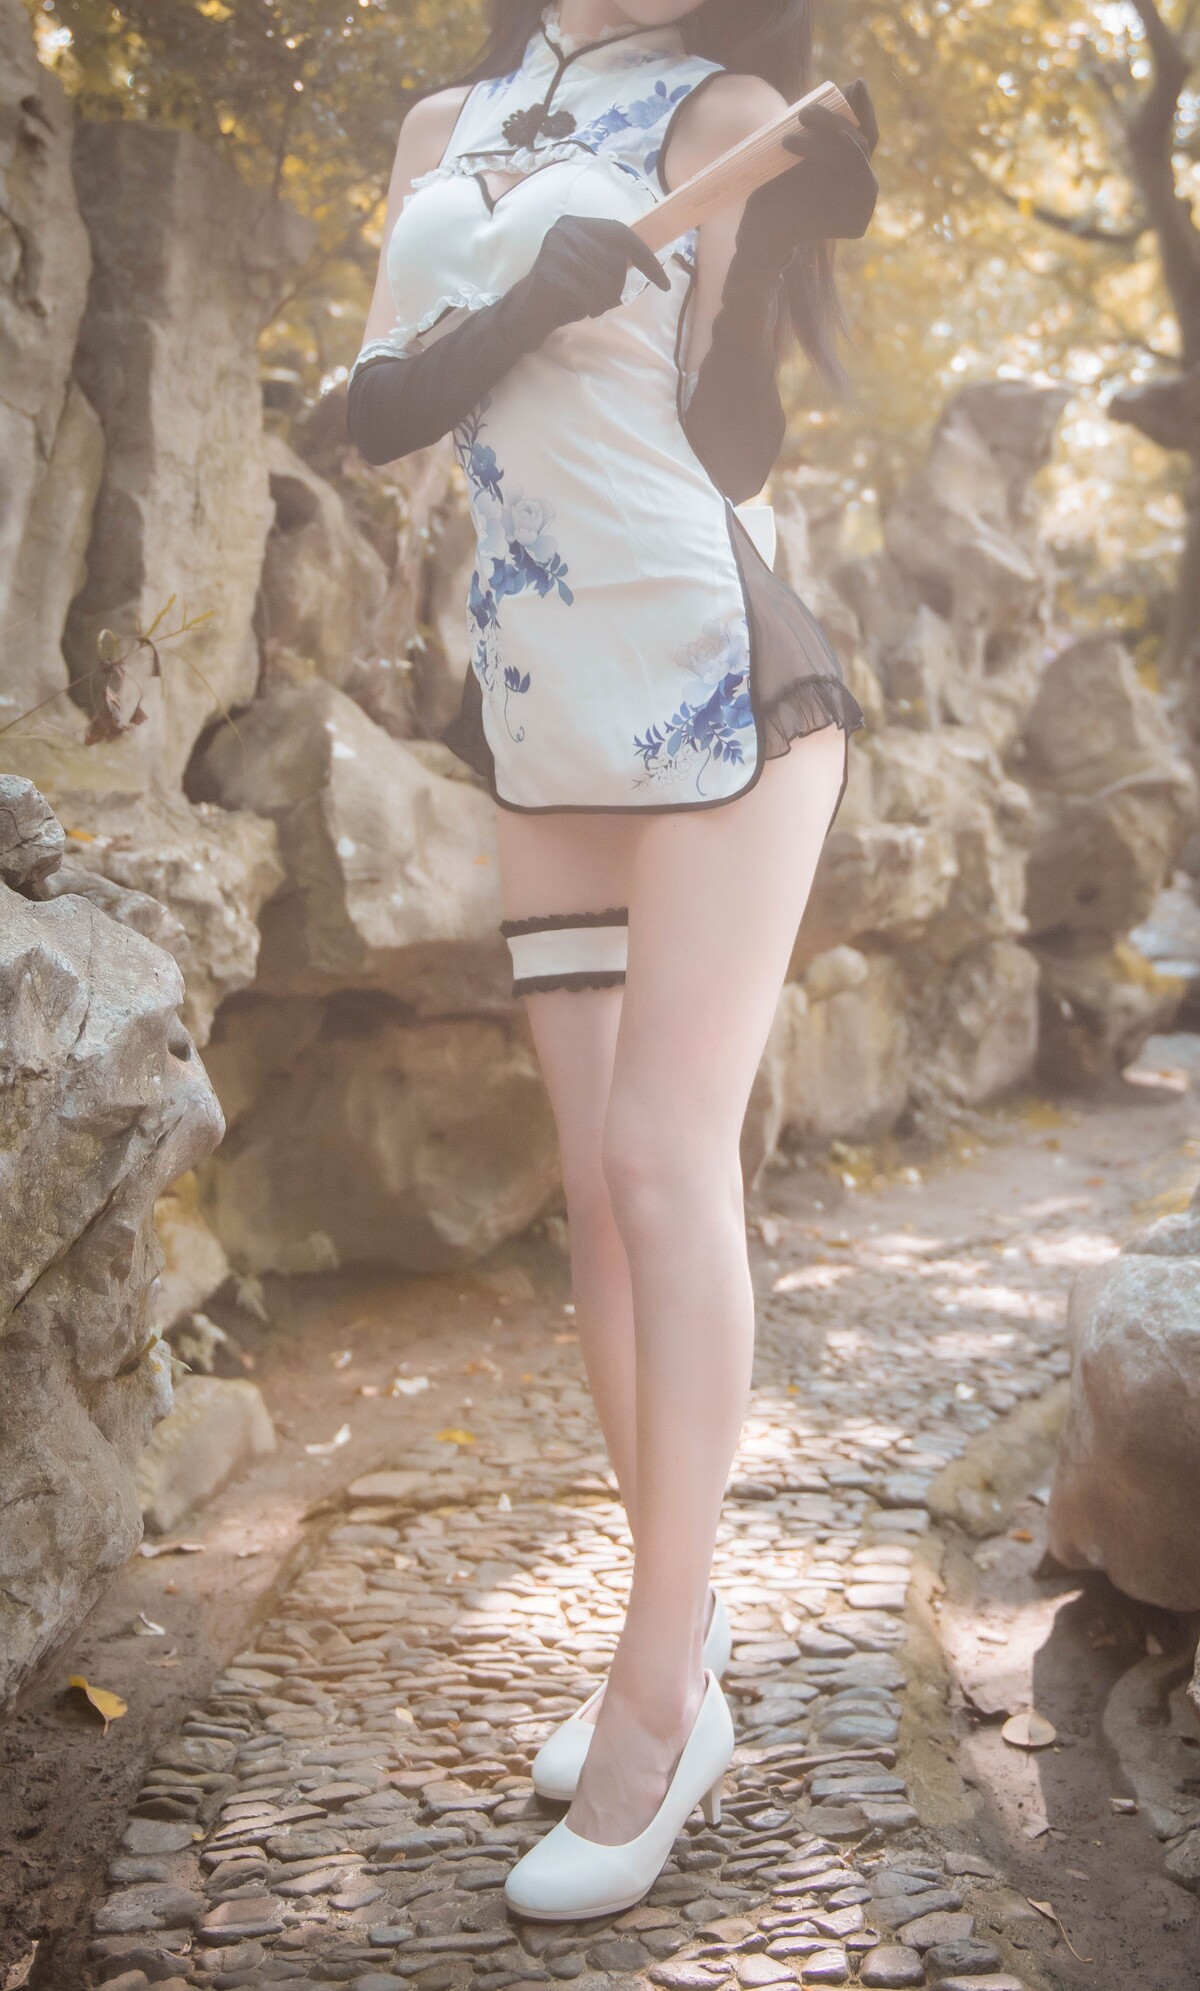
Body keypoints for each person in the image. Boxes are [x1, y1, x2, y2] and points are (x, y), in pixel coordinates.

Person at [347, 0, 878, 1920]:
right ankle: (684, 1619)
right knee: (592, 1193)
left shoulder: (727, 109)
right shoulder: (445, 120)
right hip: (543, 701)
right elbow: (377, 408)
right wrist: (525, 300)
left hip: (721, 681)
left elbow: (728, 438)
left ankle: (660, 1697)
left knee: (664, 1163)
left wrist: (774, 227)